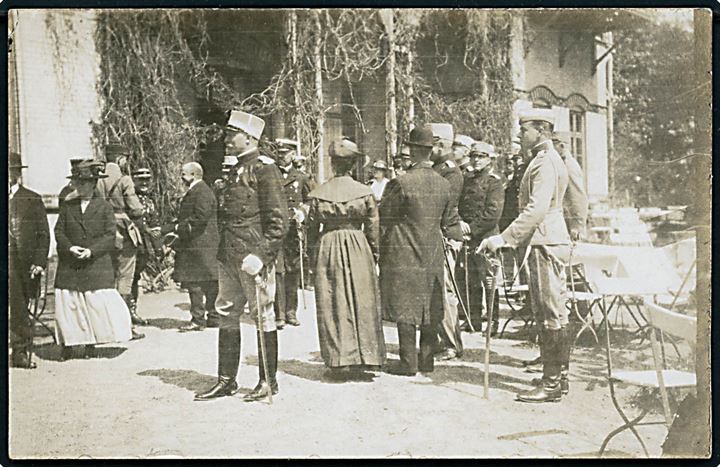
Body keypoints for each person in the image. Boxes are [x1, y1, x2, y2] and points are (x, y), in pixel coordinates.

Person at [195, 110, 288, 402]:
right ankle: (226, 380)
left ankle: (267, 381)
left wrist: (261, 255)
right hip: (229, 256)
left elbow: (279, 221)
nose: (226, 140)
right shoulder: (234, 171)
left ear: (247, 137)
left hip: (252, 258)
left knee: (262, 316)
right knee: (226, 314)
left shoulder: (265, 169)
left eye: (230, 134)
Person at [480, 109, 571, 403]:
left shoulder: (544, 163)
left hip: (545, 239)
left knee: (548, 312)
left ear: (541, 131)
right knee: (556, 310)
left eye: (524, 131)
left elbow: (536, 209)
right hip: (549, 236)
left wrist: (502, 239)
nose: (519, 136)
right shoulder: (547, 159)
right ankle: (560, 376)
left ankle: (552, 383)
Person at [379, 124, 460, 377]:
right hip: (433, 250)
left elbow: (385, 217)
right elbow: (450, 223)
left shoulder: (400, 183)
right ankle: (426, 360)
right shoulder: (443, 184)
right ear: (430, 151)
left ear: (412, 151)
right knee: (429, 301)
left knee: (406, 301)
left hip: (404, 249)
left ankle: (407, 362)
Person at [306, 138, 386, 379]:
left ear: (332, 164)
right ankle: (366, 357)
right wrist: (374, 254)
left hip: (328, 245)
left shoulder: (320, 193)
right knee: (362, 299)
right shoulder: (365, 192)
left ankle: (338, 360)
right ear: (352, 165)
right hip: (357, 245)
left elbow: (311, 228)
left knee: (333, 301)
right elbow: (373, 226)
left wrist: (313, 255)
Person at [53, 161, 133, 359]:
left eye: (82, 183)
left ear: (92, 184)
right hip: (70, 264)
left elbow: (109, 235)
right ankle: (68, 345)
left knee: (92, 304)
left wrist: (91, 251)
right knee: (69, 304)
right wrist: (70, 247)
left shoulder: (104, 207)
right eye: (76, 183)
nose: (78, 186)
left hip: (94, 263)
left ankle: (90, 342)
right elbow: (59, 231)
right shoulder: (68, 206)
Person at [161, 162, 221, 331]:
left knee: (195, 282)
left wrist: (177, 229)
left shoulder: (200, 191)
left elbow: (199, 217)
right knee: (209, 282)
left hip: (198, 245)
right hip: (202, 245)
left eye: (183, 174)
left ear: (193, 175)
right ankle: (213, 317)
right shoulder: (201, 190)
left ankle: (198, 320)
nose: (181, 177)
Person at [96, 143, 147, 336]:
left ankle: (106, 325)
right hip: (124, 230)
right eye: (125, 158)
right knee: (125, 278)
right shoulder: (125, 179)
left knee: (109, 278)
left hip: (104, 230)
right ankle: (125, 326)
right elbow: (135, 209)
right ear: (120, 159)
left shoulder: (98, 179)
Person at [457, 142, 505, 335]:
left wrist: (472, 230)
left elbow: (493, 213)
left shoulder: (494, 183)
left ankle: (493, 323)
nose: (476, 160)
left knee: (489, 280)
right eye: (474, 156)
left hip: (486, 237)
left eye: (481, 156)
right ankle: (473, 319)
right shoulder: (467, 179)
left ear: (490, 159)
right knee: (471, 279)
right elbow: (460, 205)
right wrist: (460, 223)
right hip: (468, 236)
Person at [9, 152, 50, 368]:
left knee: (18, 308)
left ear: (16, 173)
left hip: (20, 265)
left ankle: (20, 352)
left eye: (10, 170)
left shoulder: (32, 199)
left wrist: (39, 261)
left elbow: (43, 234)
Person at [429, 123, 466, 361]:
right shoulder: (438, 168)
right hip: (437, 235)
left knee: (445, 291)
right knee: (436, 290)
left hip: (446, 235)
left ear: (440, 144)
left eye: (431, 144)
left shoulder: (450, 172)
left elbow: (445, 206)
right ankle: (442, 340)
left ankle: (452, 344)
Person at [274, 138, 315, 329]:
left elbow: (311, 200)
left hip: (293, 231)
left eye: (285, 154)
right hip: (274, 229)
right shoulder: (270, 175)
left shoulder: (301, 177)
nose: (281, 157)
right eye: (279, 154)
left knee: (293, 271)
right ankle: (279, 314)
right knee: (278, 271)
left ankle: (291, 312)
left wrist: (303, 212)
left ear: (292, 155)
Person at [130, 167, 162, 310]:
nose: (144, 183)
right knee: (130, 278)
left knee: (136, 278)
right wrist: (147, 230)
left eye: (147, 180)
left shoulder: (150, 200)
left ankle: (133, 309)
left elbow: (154, 223)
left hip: (145, 247)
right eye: (140, 180)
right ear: (134, 180)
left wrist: (158, 247)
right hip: (133, 243)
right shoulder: (129, 198)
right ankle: (129, 311)